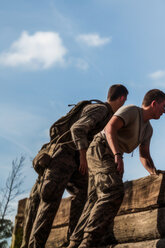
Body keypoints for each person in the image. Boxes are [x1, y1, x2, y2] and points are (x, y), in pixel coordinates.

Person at [21, 84, 128, 248]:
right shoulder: (101, 109)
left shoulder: (104, 112)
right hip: (63, 157)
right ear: (121, 98)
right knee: (49, 204)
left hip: (73, 162)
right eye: (124, 100)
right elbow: (77, 129)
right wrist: (83, 156)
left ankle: (73, 241)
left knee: (85, 193)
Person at [66, 89, 165, 248]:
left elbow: (144, 156)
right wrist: (118, 155)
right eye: (163, 106)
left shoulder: (148, 130)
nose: (164, 111)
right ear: (154, 103)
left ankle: (74, 243)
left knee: (94, 199)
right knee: (113, 191)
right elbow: (109, 129)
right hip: (100, 149)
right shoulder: (132, 111)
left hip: (110, 155)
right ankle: (88, 243)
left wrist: (154, 173)